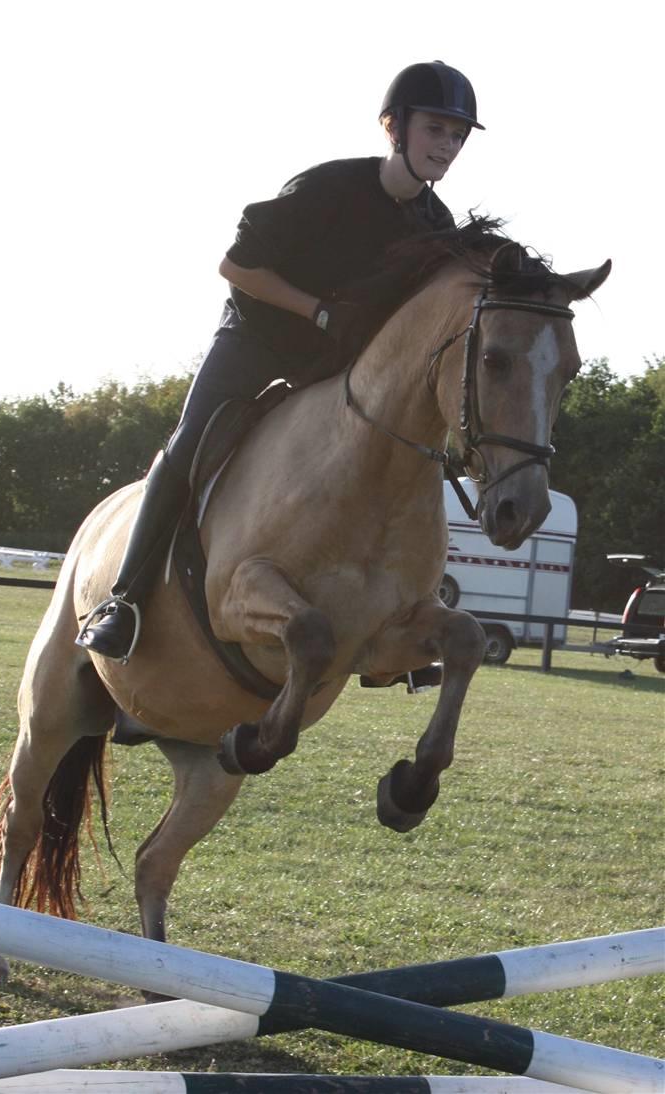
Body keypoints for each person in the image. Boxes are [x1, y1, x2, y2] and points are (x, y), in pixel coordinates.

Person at [76, 61, 485, 662]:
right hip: (257, 339)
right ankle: (124, 600)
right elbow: (235, 267)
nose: (447, 146)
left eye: (457, 136)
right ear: (394, 126)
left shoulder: (436, 225)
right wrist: (318, 310)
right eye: (435, 130)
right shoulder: (328, 187)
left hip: (335, 367)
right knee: (189, 444)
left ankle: (398, 623)